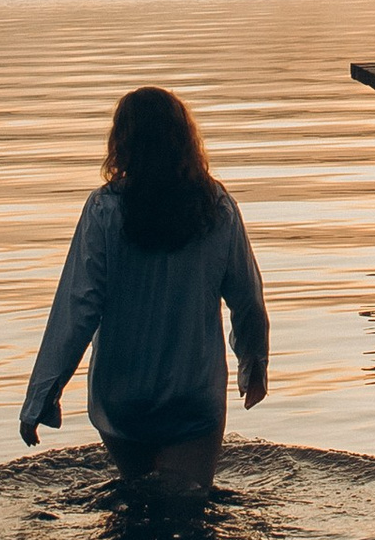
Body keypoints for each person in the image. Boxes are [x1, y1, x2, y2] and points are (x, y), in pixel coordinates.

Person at [21, 86, 269, 494]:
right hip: (193, 392)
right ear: (185, 139)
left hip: (123, 396)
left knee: (139, 513)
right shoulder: (217, 207)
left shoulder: (104, 211)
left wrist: (41, 397)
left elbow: (77, 309)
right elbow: (247, 298)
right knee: (186, 513)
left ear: (122, 142)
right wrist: (253, 363)